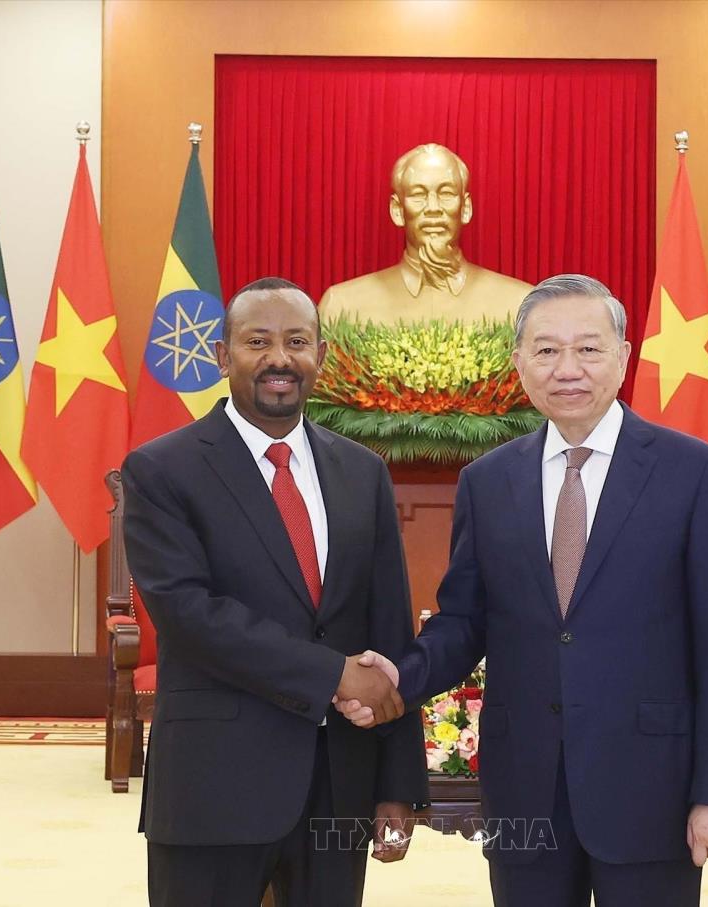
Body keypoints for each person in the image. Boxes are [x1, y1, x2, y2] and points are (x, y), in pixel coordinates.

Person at [338, 274, 708, 906]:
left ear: (623, 356)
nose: (567, 369)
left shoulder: (691, 470)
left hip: (650, 785)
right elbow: (464, 621)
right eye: (547, 350)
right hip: (523, 787)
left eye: (588, 348)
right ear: (519, 363)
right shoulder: (488, 480)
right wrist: (401, 676)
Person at [122, 277, 428, 907]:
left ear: (321, 355)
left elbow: (388, 628)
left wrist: (398, 786)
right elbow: (189, 615)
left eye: (297, 341)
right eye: (257, 342)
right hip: (215, 782)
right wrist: (332, 674)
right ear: (222, 355)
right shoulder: (163, 469)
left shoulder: (362, 471)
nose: (279, 359)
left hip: (338, 784)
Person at [318, 143, 531, 325]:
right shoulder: (343, 307)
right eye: (418, 195)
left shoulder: (517, 304)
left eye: (446, 193)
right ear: (397, 210)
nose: (433, 208)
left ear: (466, 208)